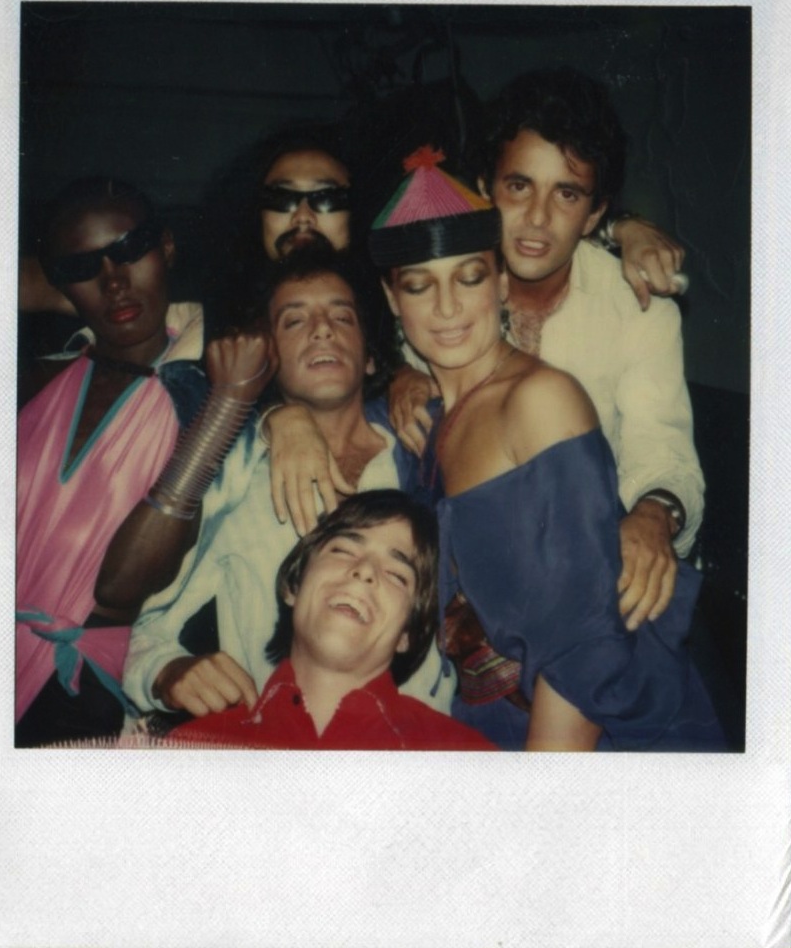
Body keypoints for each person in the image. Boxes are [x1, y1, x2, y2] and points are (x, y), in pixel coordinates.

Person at [368, 146, 725, 752]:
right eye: (420, 286)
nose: (447, 308)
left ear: (502, 283)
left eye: (470, 278)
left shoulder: (539, 401)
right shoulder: (429, 415)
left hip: (584, 736)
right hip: (485, 722)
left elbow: (589, 643)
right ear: (391, 299)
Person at [387, 69, 704, 631]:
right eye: (519, 187)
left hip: (598, 579)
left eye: (567, 194)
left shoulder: (638, 309)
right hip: (464, 587)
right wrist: (396, 372)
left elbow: (661, 446)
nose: (537, 218)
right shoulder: (445, 278)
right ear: (485, 189)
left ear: (595, 214)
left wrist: (654, 515)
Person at [110, 247, 453, 727]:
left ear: (371, 359)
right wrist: (167, 671)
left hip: (419, 745)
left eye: (342, 317)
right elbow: (136, 626)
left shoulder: (424, 446)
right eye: (295, 321)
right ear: (270, 361)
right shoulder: (237, 472)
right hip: (280, 744)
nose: (322, 330)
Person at [14, 177, 238, 747]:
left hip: (88, 694)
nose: (113, 282)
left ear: (166, 247)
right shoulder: (35, 380)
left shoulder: (213, 390)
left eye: (130, 249)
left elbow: (122, 589)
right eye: (82, 266)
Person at [166, 491, 496, 750]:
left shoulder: (461, 758)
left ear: (406, 634)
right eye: (342, 550)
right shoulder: (195, 749)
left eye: (397, 574)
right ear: (293, 586)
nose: (364, 570)